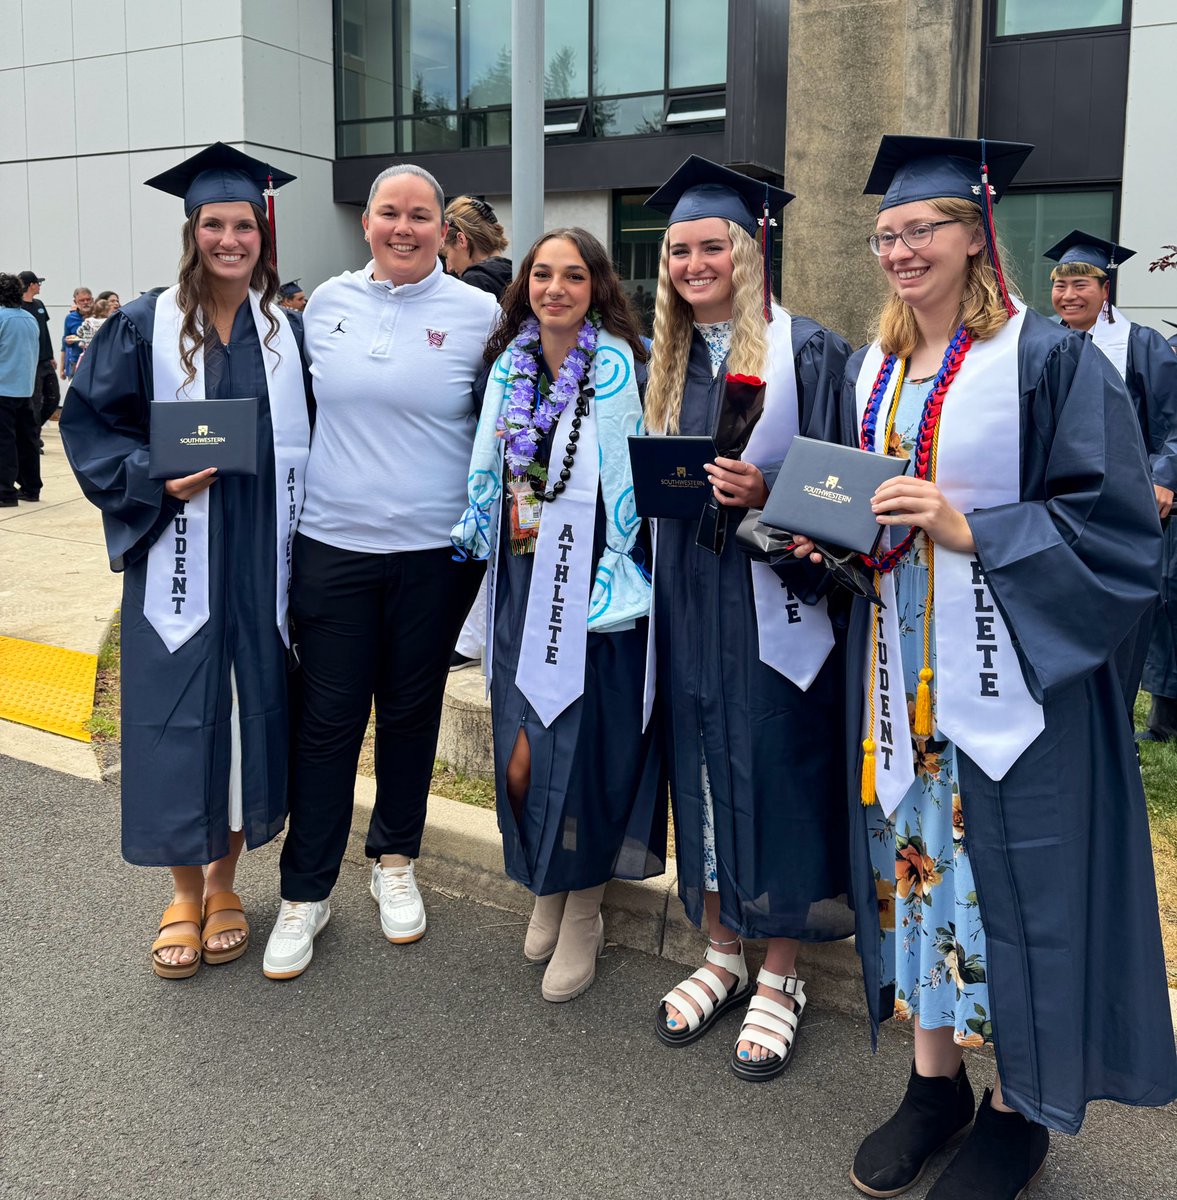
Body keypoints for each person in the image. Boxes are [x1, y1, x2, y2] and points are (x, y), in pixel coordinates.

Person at [789, 135, 1175, 1198]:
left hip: (1009, 678)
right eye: (886, 235)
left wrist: (971, 529)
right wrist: (826, 533)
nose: (900, 250)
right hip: (898, 672)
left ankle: (1015, 1109)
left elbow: (1116, 525)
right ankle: (934, 1085)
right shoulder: (871, 367)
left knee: (1005, 884)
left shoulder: (1045, 359)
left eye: (921, 229)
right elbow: (862, 499)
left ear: (974, 234)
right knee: (916, 870)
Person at [60, 142, 310, 980]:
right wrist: (153, 479)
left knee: (243, 719)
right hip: (176, 555)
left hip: (261, 563)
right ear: (191, 231)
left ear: (262, 236)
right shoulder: (143, 324)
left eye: (244, 226)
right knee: (174, 720)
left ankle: (226, 883)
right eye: (214, 225)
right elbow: (91, 427)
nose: (229, 240)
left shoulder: (287, 333)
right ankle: (181, 892)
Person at [641, 156, 854, 1080]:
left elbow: (847, 482)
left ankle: (780, 971)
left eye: (710, 246)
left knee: (775, 765)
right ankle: (721, 949)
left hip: (774, 604)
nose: (692, 264)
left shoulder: (808, 351)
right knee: (698, 760)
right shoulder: (666, 357)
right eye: (677, 251)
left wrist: (769, 490)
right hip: (689, 598)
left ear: (748, 248)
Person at [263, 163, 496, 980]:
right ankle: (305, 891)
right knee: (326, 723)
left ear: (444, 230)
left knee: (408, 711)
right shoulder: (325, 304)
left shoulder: (479, 314)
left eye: (420, 215)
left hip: (436, 554)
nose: (404, 227)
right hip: (333, 547)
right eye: (389, 213)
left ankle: (395, 861)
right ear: (366, 222)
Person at [451, 229, 665, 1001]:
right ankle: (546, 877)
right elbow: (497, 471)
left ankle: (582, 908)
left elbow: (644, 479)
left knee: (590, 748)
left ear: (597, 286)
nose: (555, 288)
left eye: (573, 276)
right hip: (522, 577)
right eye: (542, 274)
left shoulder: (626, 367)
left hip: (600, 586)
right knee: (523, 748)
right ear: (525, 286)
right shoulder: (508, 366)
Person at [1044, 232, 1177, 727]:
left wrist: (1163, 478)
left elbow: (1174, 421)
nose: (1068, 295)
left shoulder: (1141, 344)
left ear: (1105, 289)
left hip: (1125, 504)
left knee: (1118, 619)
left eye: (1081, 284)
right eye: (1060, 285)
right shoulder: (1041, 342)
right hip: (1057, 502)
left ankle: (1113, 726)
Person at [443, 197, 512, 670]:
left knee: (484, 527)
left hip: (487, 426)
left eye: (447, 252)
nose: (445, 265)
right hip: (521, 424)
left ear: (462, 241)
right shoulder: (517, 278)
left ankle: (471, 637)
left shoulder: (472, 289)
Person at [0, 272, 41, 507]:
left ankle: (4, 492)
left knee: (4, 442)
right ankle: (31, 488)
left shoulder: (1, 318)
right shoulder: (29, 318)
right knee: (27, 441)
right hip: (25, 389)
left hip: (2, 389)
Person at [442, 195, 512, 298]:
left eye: (446, 254)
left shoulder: (473, 282)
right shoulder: (517, 275)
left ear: (461, 239)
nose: (449, 268)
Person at [19, 271, 60, 427]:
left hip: (45, 360)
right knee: (35, 401)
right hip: (31, 362)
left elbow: (44, 331)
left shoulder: (39, 304)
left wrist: (51, 355)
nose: (39, 286)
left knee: (53, 398)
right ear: (31, 285)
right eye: (38, 283)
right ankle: (33, 436)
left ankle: (34, 429)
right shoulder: (19, 307)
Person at [60, 287, 94, 379]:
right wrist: (67, 341)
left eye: (88, 299)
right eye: (82, 300)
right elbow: (64, 342)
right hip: (76, 361)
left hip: (96, 361)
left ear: (92, 300)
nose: (86, 302)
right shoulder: (70, 318)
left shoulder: (98, 316)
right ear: (75, 302)